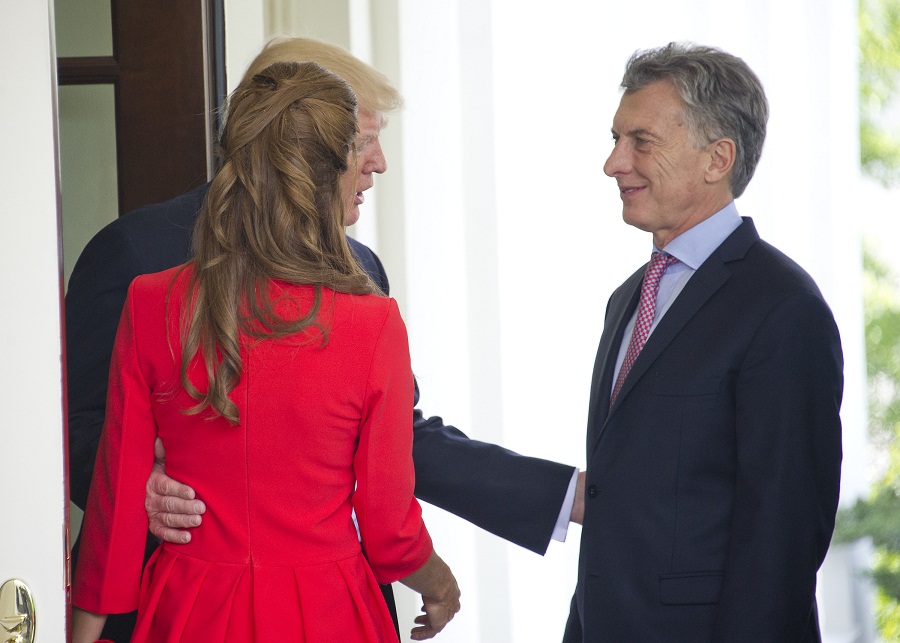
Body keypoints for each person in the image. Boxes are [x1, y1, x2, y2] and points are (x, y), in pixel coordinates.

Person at [66, 37, 581, 641]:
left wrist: (564, 493)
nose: (379, 162)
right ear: (305, 148)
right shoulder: (132, 256)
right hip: (295, 603)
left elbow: (391, 443)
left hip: (193, 608)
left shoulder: (359, 272)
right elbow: (84, 433)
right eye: (361, 140)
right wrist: (148, 492)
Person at [563, 43, 843, 642]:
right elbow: (620, 502)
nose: (614, 163)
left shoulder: (783, 308)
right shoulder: (628, 299)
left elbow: (782, 541)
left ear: (718, 159)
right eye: (615, 139)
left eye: (641, 141)